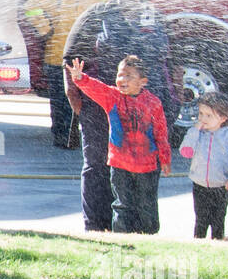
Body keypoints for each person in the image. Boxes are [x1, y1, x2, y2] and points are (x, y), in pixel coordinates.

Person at [62, 0, 176, 231]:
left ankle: (138, 228)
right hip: (103, 108)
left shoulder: (155, 19)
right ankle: (97, 227)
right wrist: (73, 94)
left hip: (145, 113)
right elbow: (71, 57)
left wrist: (172, 102)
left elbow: (171, 61)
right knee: (97, 166)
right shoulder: (97, 16)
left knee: (143, 170)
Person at [67, 54, 171, 234]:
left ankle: (149, 236)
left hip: (147, 166)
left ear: (143, 81)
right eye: (120, 75)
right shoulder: (113, 97)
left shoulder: (153, 103)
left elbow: (161, 133)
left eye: (128, 76)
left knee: (147, 205)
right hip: (120, 164)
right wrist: (80, 78)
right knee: (123, 205)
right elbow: (95, 88)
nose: (122, 79)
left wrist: (165, 159)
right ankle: (122, 237)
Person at [22, 0, 110, 149]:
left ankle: (74, 135)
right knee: (59, 100)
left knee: (81, 99)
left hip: (82, 58)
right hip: (58, 56)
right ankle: (63, 135)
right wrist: (45, 28)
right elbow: (29, 8)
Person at [179, 91, 228, 240]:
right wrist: (194, 130)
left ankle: (217, 243)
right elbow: (186, 152)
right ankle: (198, 243)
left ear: (222, 118)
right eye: (201, 114)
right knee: (200, 219)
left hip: (221, 185)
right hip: (199, 184)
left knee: (218, 220)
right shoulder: (197, 133)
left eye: (209, 115)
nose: (203, 119)